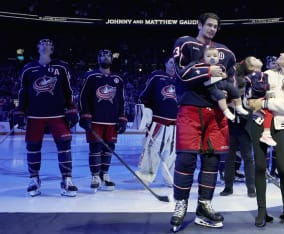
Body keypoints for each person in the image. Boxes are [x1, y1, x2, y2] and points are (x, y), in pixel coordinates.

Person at [170, 12, 236, 231]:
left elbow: (232, 79)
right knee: (186, 159)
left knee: (212, 160)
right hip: (190, 109)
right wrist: (208, 69)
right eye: (209, 25)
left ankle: (204, 205)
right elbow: (181, 74)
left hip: (216, 112)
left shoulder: (226, 51)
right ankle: (180, 204)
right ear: (199, 25)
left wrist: (235, 99)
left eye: (215, 26)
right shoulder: (185, 43)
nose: (212, 29)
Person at [247, 49, 284, 228]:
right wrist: (251, 101)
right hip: (259, 122)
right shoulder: (267, 74)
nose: (281, 53)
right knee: (259, 165)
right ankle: (261, 211)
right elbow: (253, 94)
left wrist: (266, 102)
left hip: (282, 125)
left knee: (282, 167)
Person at [13, 38, 79, 197]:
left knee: (64, 145)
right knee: (33, 147)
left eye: (49, 44)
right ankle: (34, 179)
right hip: (35, 115)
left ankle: (67, 180)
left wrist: (71, 108)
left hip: (58, 114)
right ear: (37, 47)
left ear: (53, 48)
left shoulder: (62, 67)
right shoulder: (28, 68)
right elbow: (23, 91)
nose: (45, 45)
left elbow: (68, 90)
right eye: (42, 43)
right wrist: (19, 111)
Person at [78, 49, 127, 192]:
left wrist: (122, 118)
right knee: (95, 148)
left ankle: (104, 174)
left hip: (112, 121)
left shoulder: (118, 78)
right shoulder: (90, 76)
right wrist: (85, 114)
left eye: (108, 55)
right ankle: (95, 176)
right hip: (95, 121)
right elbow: (83, 97)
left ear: (112, 59)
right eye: (101, 55)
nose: (105, 57)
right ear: (97, 59)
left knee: (109, 149)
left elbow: (121, 100)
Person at [135, 57, 178, 186]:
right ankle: (145, 176)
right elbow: (143, 97)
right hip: (158, 122)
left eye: (175, 63)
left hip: (176, 123)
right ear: (165, 64)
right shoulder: (157, 76)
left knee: (173, 153)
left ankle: (170, 179)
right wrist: (146, 112)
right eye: (170, 62)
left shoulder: (181, 79)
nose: (173, 65)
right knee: (151, 150)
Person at [219, 57, 258, 198]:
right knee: (229, 157)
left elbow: (251, 99)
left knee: (248, 156)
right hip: (230, 122)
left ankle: (251, 188)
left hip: (245, 122)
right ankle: (228, 187)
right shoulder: (227, 80)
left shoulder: (249, 80)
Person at [202, 47, 248, 121]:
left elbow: (225, 75)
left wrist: (223, 75)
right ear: (204, 58)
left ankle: (239, 107)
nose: (212, 58)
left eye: (214, 56)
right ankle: (226, 111)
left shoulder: (220, 66)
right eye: (208, 56)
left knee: (235, 90)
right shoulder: (203, 67)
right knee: (220, 95)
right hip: (212, 86)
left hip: (222, 82)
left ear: (218, 58)